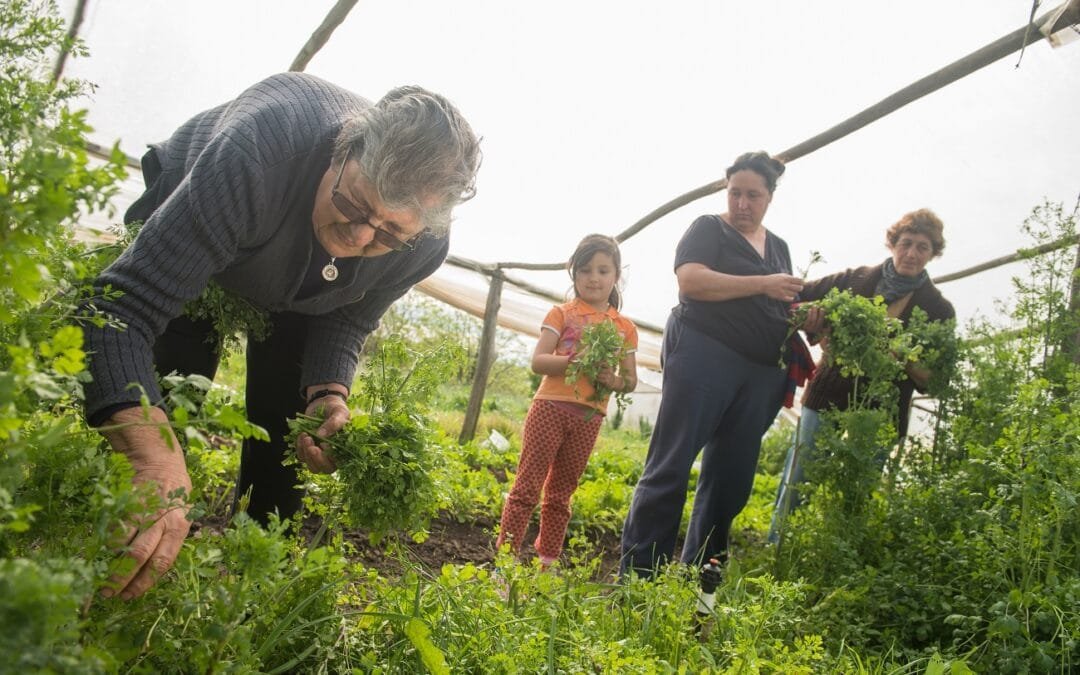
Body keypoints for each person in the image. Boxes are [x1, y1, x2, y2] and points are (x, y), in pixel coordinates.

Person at [82, 72, 481, 600]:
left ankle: (250, 589)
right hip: (206, 226)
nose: (359, 237)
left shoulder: (422, 244)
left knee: (287, 427)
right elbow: (121, 309)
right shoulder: (258, 156)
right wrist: (150, 450)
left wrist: (328, 391)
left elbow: (349, 316)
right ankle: (111, 563)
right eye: (355, 206)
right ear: (340, 153)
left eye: (388, 233)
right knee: (171, 395)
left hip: (296, 277)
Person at [620, 151, 811, 578]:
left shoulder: (778, 247)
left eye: (753, 196)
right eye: (735, 193)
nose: (742, 204)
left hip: (760, 372)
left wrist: (802, 313)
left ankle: (699, 579)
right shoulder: (709, 228)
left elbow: (780, 302)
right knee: (672, 461)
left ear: (769, 198)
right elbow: (691, 282)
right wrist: (763, 284)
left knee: (730, 480)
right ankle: (639, 578)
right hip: (704, 354)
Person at [768, 208, 955, 542]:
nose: (911, 253)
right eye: (906, 243)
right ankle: (778, 548)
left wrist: (902, 355)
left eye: (922, 247)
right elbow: (795, 300)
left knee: (856, 491)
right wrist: (816, 322)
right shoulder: (854, 279)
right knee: (801, 475)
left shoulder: (939, 309)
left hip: (882, 410)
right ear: (893, 243)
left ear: (933, 253)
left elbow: (937, 380)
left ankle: (835, 560)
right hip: (828, 395)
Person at [496, 234, 638, 568]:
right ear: (573, 274)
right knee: (526, 488)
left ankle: (546, 563)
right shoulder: (562, 313)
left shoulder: (624, 328)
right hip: (549, 407)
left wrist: (611, 380)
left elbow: (629, 381)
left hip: (589, 417)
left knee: (561, 495)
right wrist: (575, 360)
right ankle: (505, 562)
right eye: (586, 269)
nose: (594, 277)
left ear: (616, 275)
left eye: (603, 270)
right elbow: (538, 362)